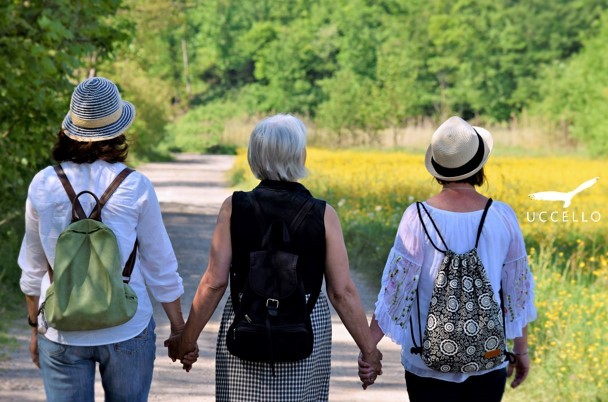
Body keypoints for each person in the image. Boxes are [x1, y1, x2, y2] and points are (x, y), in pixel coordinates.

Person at [164, 114, 383, 401]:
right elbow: (341, 292)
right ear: (300, 156)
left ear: (254, 156)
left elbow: (214, 283)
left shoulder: (234, 207)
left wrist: (187, 340)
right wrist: (369, 350)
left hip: (248, 319)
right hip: (304, 324)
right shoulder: (324, 214)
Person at [18, 77, 186, 402]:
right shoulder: (135, 186)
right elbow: (160, 265)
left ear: (70, 129)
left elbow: (32, 267)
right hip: (127, 326)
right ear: (118, 129)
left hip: (61, 328)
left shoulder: (43, 184)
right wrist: (179, 331)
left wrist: (34, 327)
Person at [359, 116, 536, 402]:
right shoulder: (502, 216)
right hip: (488, 358)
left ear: (438, 169)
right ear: (480, 166)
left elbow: (395, 293)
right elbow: (518, 292)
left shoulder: (416, 217)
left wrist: (368, 349)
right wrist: (522, 349)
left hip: (425, 363)